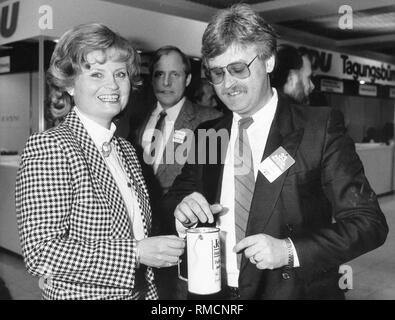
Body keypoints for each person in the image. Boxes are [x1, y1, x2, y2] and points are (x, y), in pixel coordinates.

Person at [162, 4, 388, 300]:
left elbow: (369, 223)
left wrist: (289, 250)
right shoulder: (209, 133)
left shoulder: (317, 129)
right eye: (217, 73)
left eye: (238, 69)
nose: (228, 84)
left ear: (268, 61)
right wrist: (181, 210)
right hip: (214, 294)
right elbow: (173, 200)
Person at [15, 23, 185, 300]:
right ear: (69, 84)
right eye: (96, 74)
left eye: (120, 74)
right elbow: (41, 253)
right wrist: (137, 252)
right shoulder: (51, 146)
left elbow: (137, 228)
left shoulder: (126, 150)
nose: (112, 85)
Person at [129, 45, 221, 299]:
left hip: (184, 242)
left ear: (188, 79)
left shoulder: (210, 121)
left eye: (175, 75)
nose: (166, 82)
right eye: (159, 74)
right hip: (141, 245)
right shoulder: (135, 122)